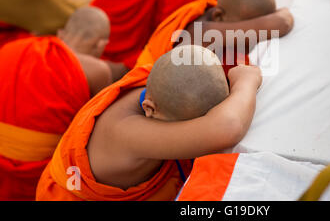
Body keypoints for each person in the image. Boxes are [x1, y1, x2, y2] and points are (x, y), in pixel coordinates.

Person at [36, 45, 262, 201]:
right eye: (190, 124)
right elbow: (227, 127)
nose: (192, 131)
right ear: (149, 109)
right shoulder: (123, 131)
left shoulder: (161, 87)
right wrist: (246, 82)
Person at [0, 7, 113, 201]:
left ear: (61, 33)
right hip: (42, 170)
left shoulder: (12, 48)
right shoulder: (97, 71)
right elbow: (98, 129)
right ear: (101, 44)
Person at [135, 0, 294, 75]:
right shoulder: (202, 33)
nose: (251, 37)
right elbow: (281, 23)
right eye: (246, 28)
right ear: (218, 16)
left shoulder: (224, 16)